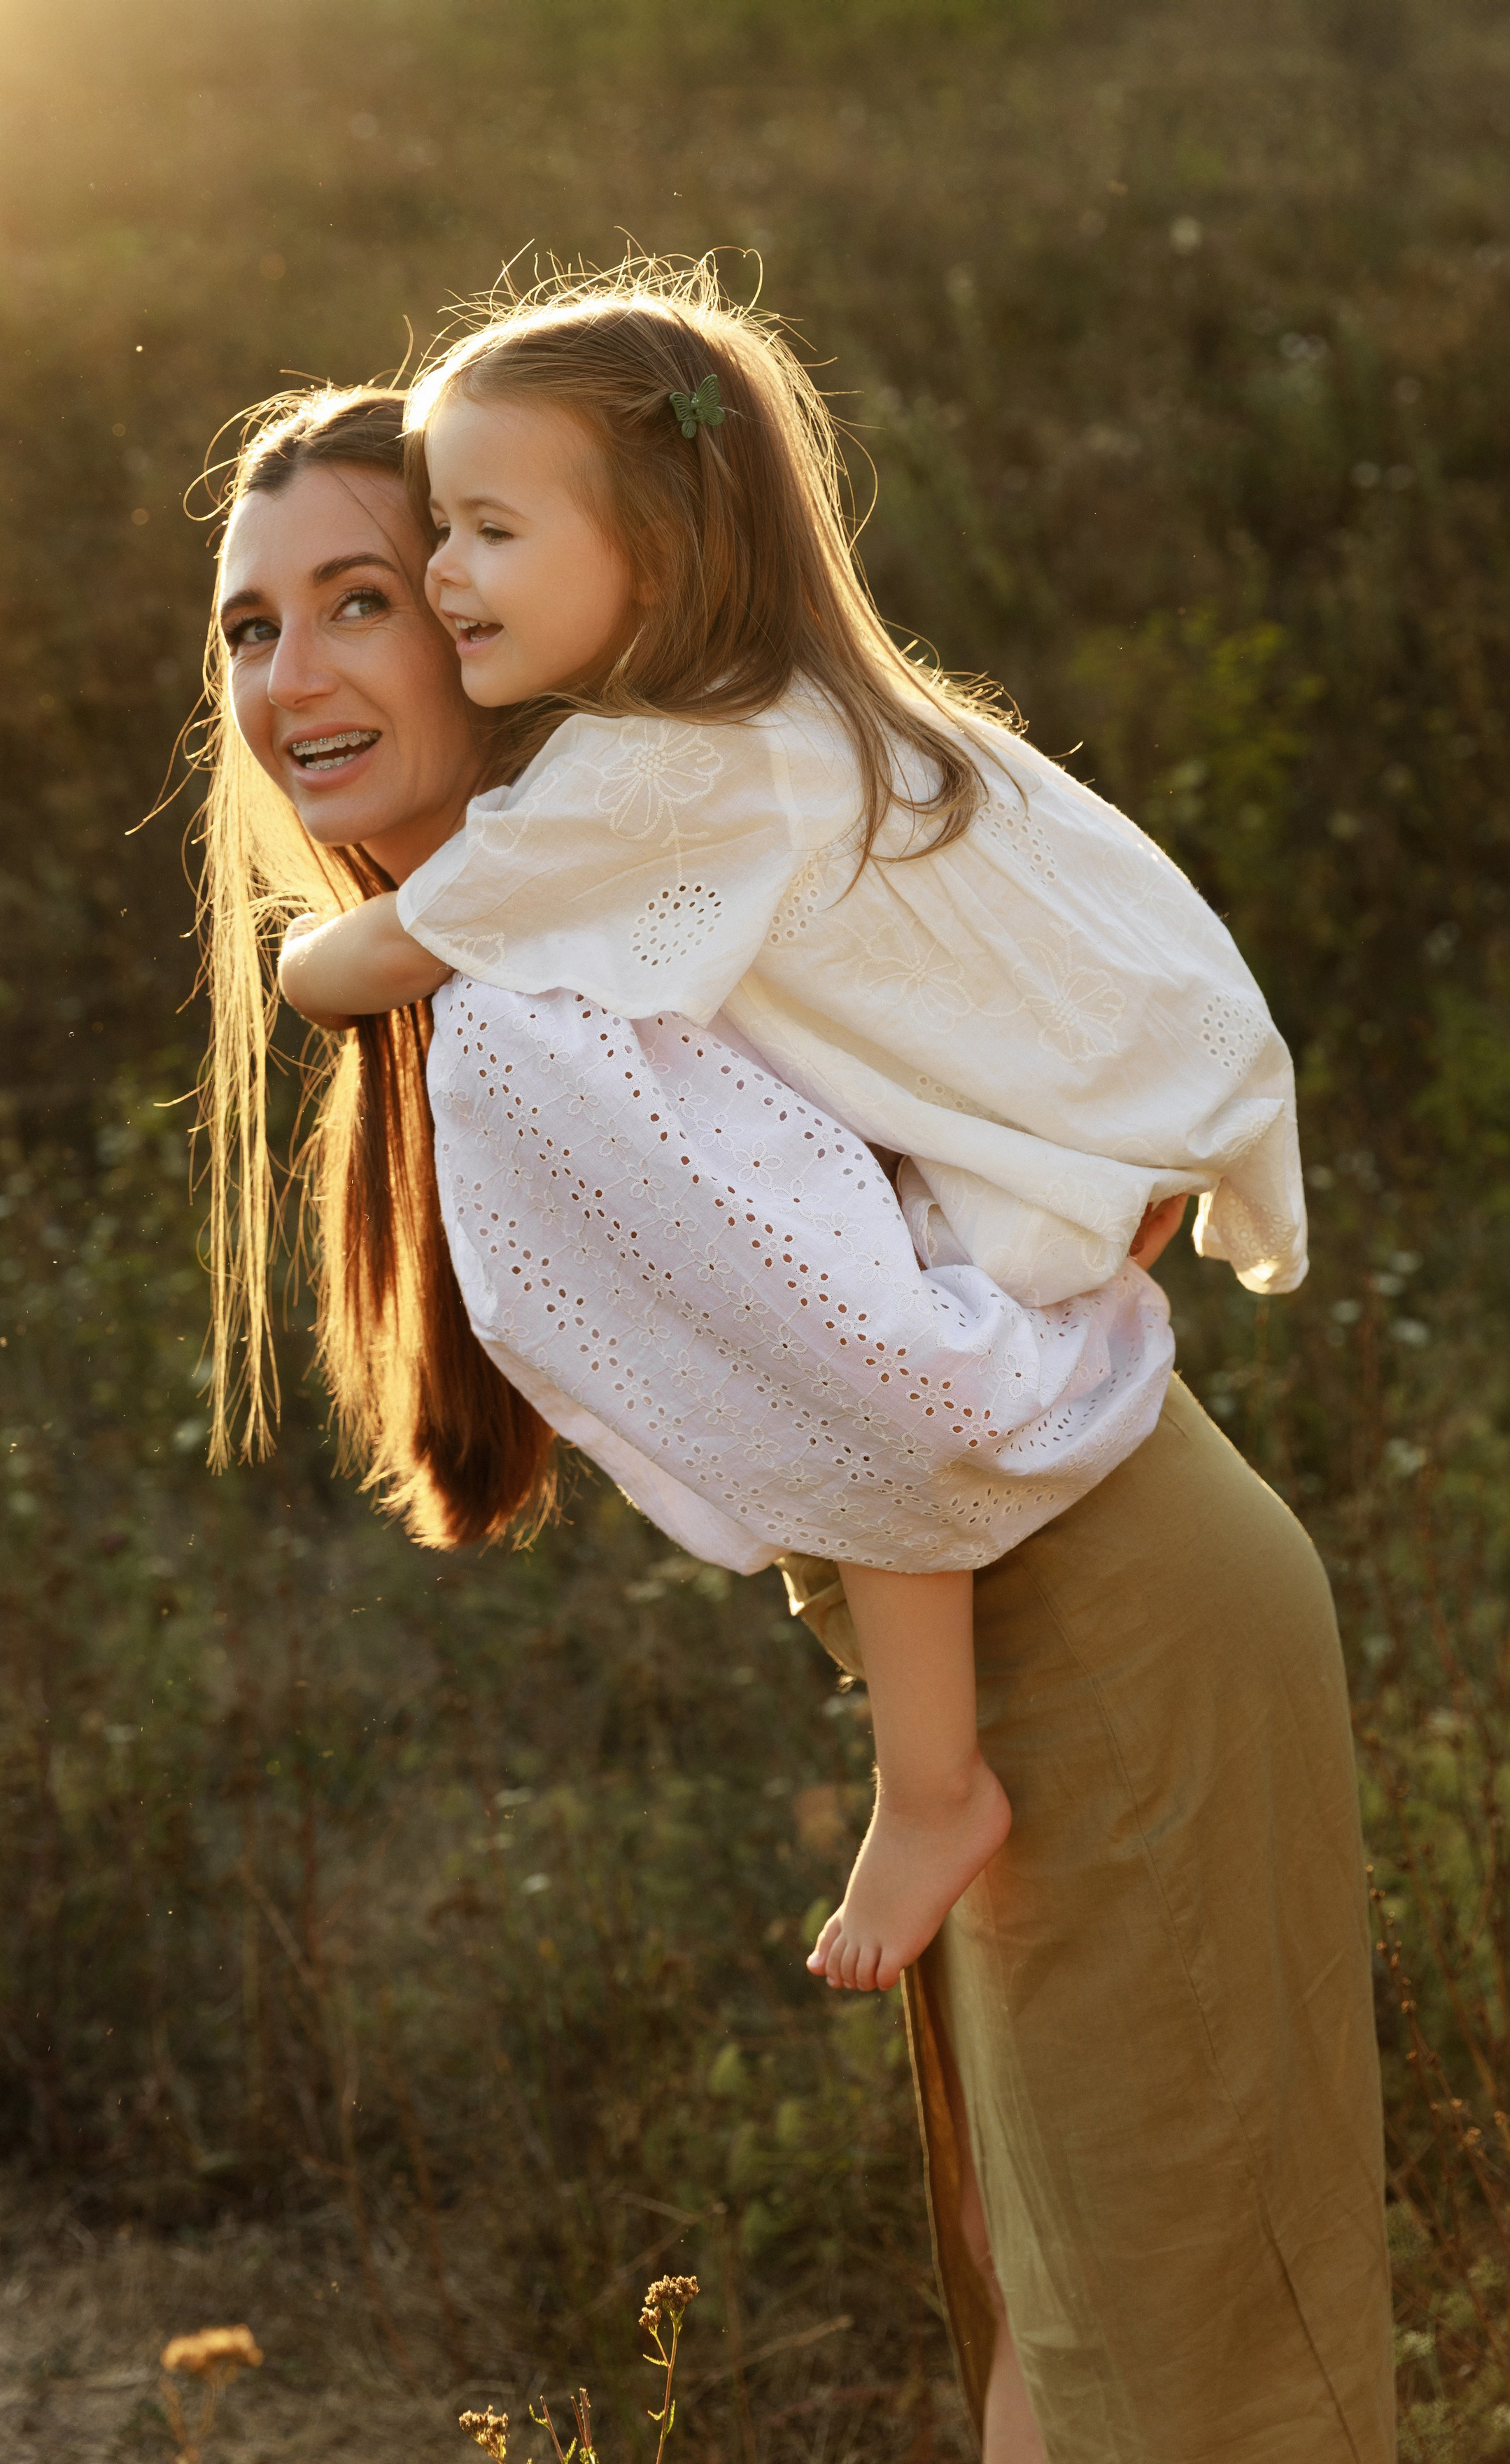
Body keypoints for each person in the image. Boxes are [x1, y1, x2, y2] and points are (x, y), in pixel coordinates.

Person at [202, 374, 1394, 2463]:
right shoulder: (593, 921)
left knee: (1187, 2378)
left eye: (370, 595)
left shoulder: (531, 1003)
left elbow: (917, 1410)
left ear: (514, 629)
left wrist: (1073, 1289)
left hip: (1109, 1638)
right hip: (1063, 1637)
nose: (294, 674)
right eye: (246, 622)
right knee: (1066, 2330)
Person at [279, 266, 1306, 2003]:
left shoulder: (635, 790)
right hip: (1113, 1124)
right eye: (435, 539)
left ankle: (929, 1784)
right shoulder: (804, 709)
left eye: (475, 536)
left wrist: (293, 951)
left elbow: (360, 967)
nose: (450, 578)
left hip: (1115, 1591)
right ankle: (938, 1781)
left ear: (658, 558)